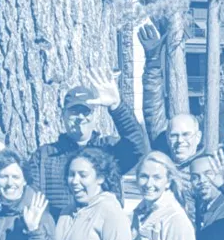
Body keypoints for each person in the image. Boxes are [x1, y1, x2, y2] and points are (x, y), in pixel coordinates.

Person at [26, 72, 149, 216]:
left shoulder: (108, 150)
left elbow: (138, 147)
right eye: (74, 111)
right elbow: (32, 199)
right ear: (63, 115)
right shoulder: (44, 156)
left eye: (86, 112)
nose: (80, 117)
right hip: (60, 232)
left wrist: (117, 107)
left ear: (94, 116)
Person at [136, 22, 203, 169]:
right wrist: (153, 62)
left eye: (186, 135)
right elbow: (152, 109)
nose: (180, 141)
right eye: (174, 135)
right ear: (167, 137)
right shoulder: (163, 160)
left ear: (198, 137)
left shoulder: (207, 167)